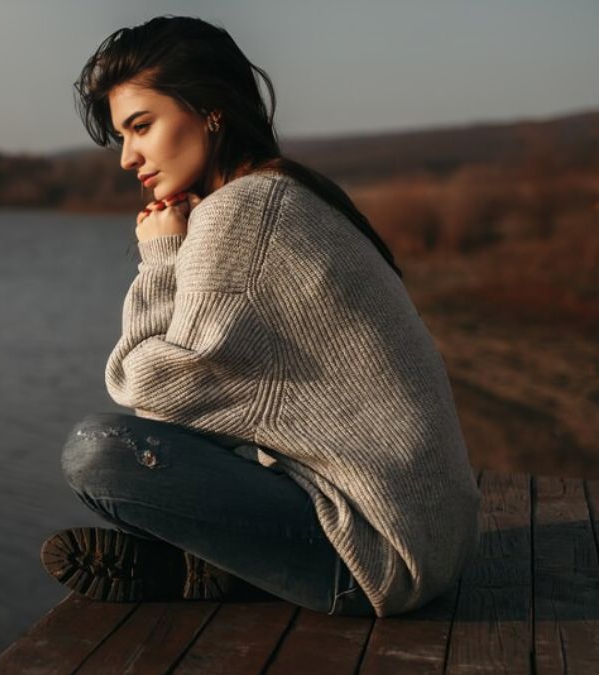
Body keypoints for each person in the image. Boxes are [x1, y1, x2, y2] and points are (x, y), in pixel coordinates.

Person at [39, 16, 481, 618]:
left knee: (98, 450)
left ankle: (223, 568)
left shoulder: (241, 213)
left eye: (141, 126)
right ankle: (216, 569)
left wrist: (161, 256)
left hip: (377, 552)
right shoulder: (288, 188)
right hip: (426, 532)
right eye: (121, 136)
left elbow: (152, 398)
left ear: (210, 109)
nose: (127, 158)